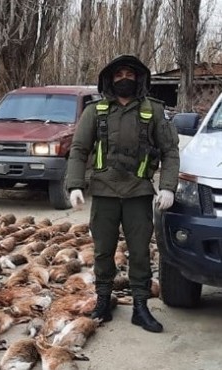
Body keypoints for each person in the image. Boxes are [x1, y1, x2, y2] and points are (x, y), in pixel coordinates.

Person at [66, 54, 180, 333]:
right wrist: (75, 185)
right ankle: (103, 301)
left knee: (140, 252)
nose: (124, 79)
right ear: (109, 80)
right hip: (104, 193)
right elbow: (79, 150)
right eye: (118, 75)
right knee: (103, 251)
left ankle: (141, 306)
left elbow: (170, 151)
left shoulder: (153, 110)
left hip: (139, 193)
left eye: (130, 74)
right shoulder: (95, 111)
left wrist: (167, 186)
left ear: (139, 78)